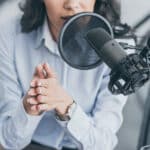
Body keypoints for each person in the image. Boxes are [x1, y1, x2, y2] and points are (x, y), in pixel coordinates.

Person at [0, 0, 127, 150]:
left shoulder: (119, 48)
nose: (72, 4)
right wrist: (30, 107)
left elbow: (103, 144)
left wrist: (66, 107)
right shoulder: (9, 34)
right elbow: (7, 142)